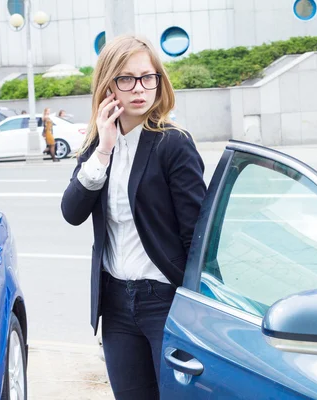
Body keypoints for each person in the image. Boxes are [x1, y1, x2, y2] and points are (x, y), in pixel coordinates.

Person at [60, 34, 206, 399]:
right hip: (115, 304)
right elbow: (72, 212)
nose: (139, 88)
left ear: (160, 80)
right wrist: (105, 149)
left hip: (164, 302)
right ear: (109, 86)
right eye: (126, 79)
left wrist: (197, 307)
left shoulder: (172, 143)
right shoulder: (98, 146)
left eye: (148, 76)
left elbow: (196, 237)